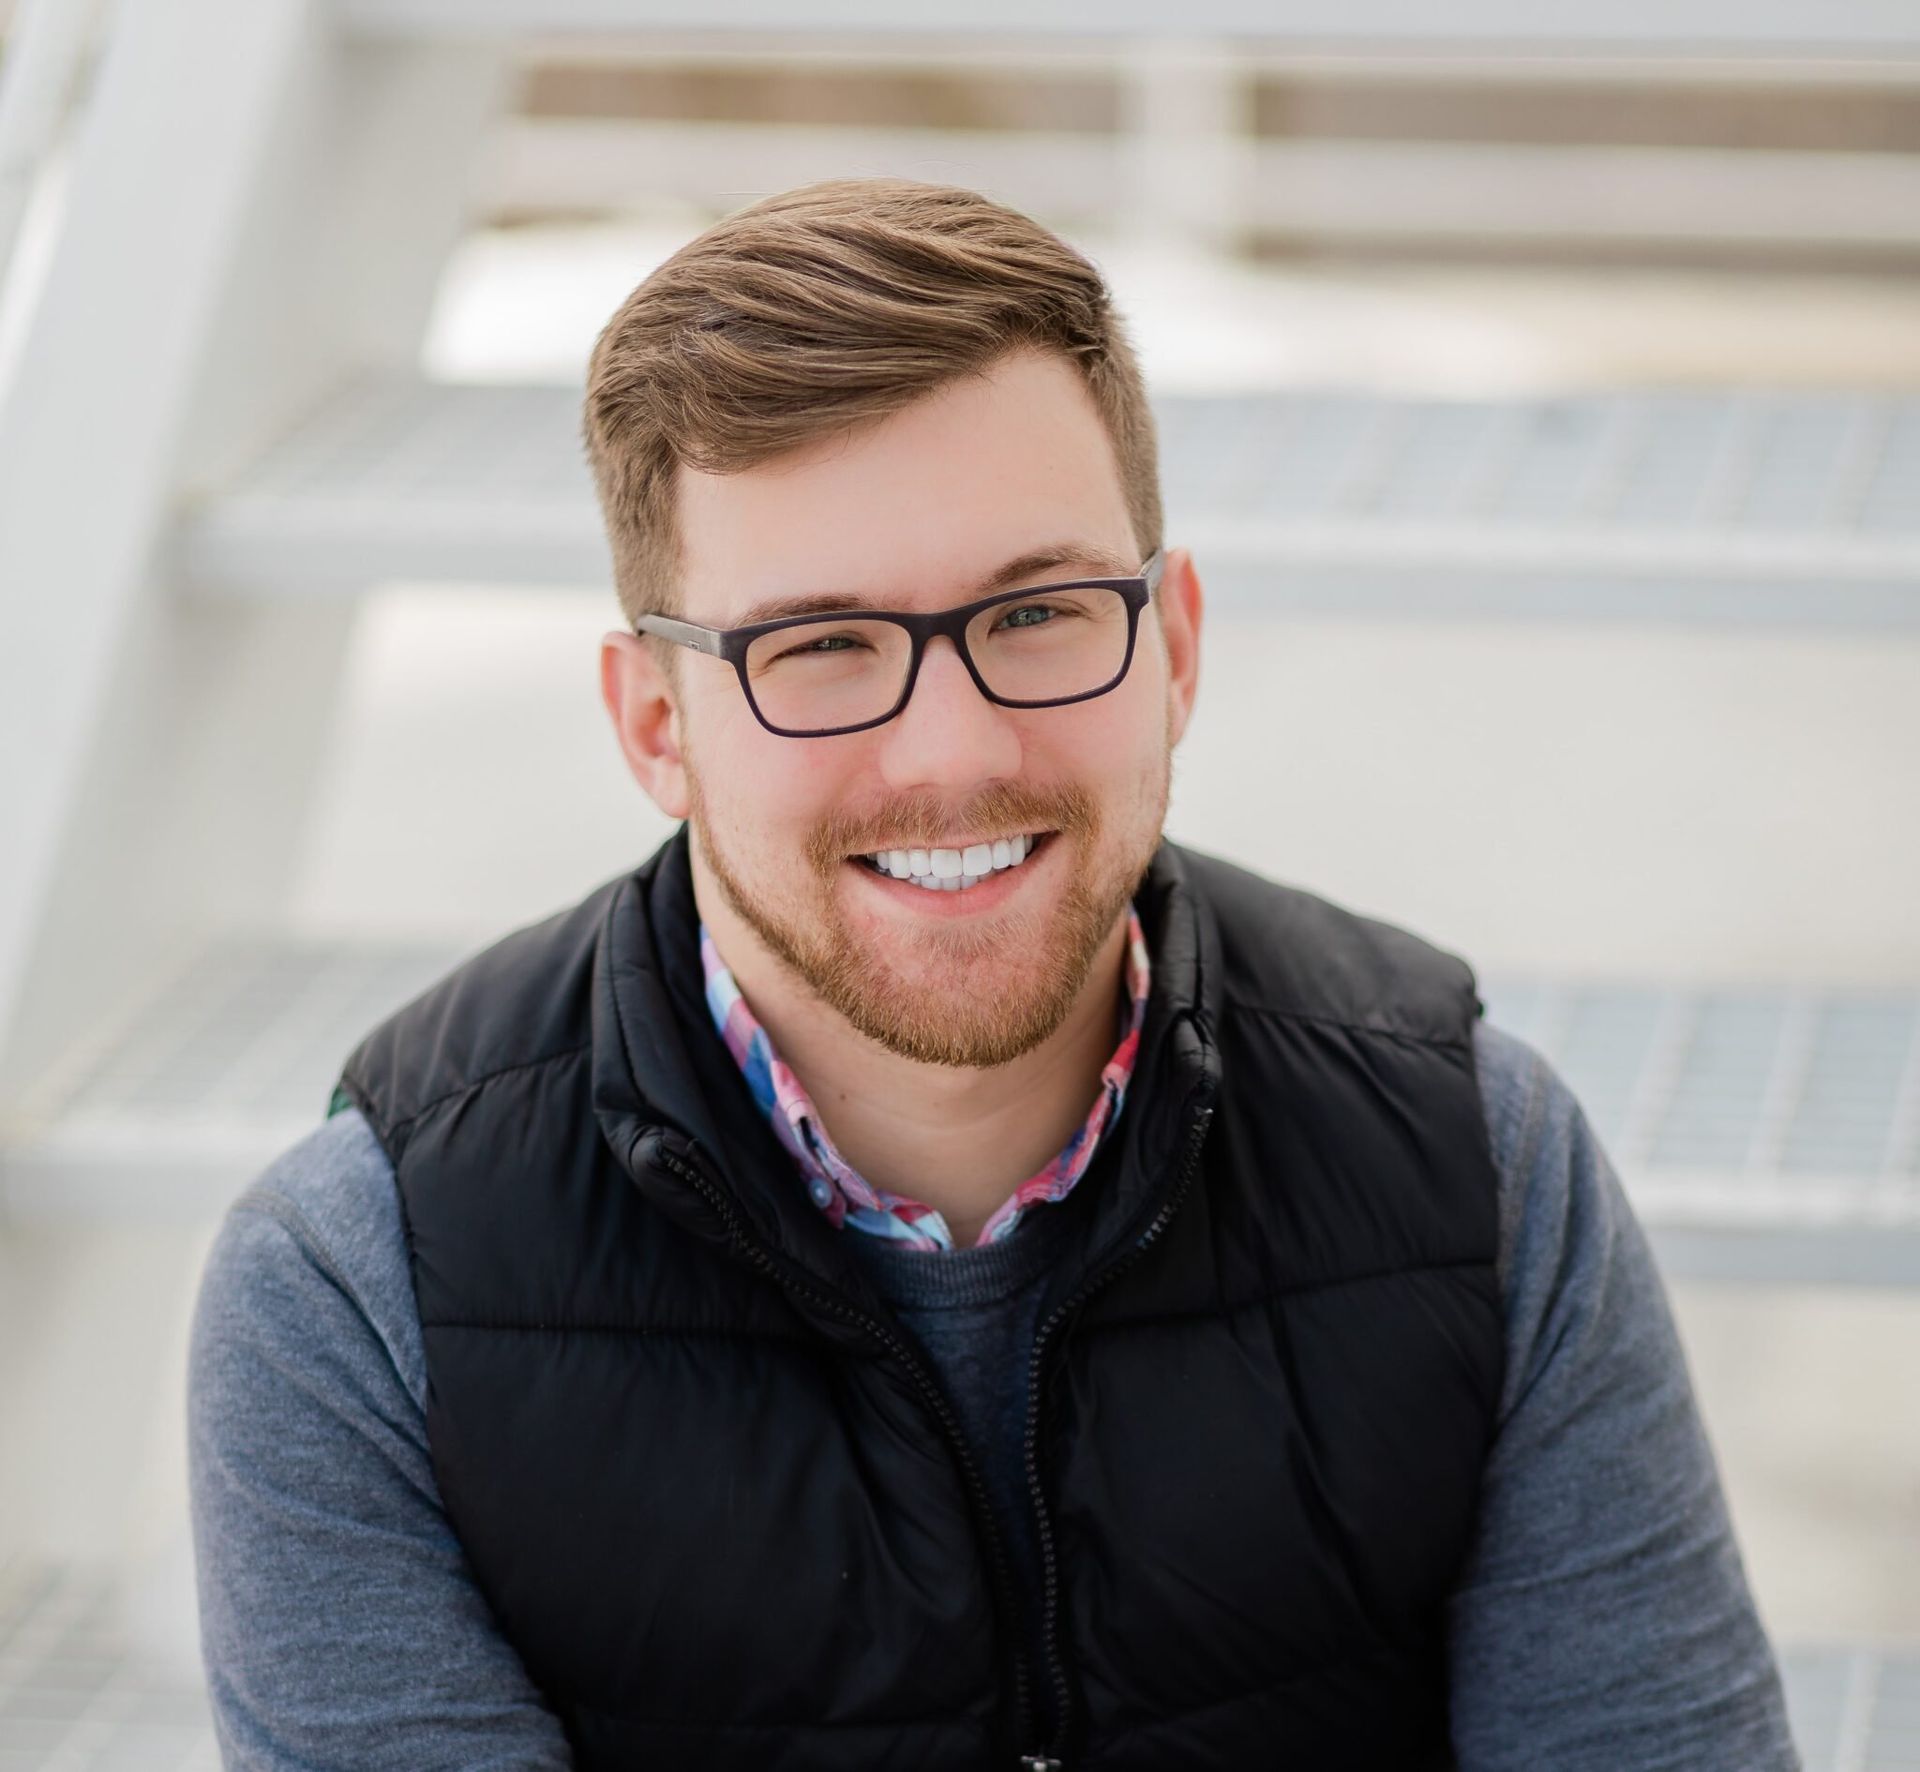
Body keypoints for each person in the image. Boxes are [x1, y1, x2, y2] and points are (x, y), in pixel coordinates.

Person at [187, 177, 1800, 1772]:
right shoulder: (358, 1292)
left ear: (1172, 645)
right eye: (818, 646)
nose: (952, 753)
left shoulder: (1480, 1169)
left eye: (1035, 612)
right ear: (656, 725)